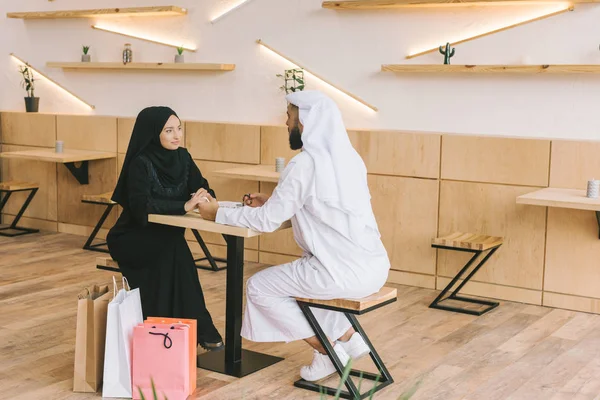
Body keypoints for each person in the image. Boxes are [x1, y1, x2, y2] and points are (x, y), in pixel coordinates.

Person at [197, 91, 391, 381]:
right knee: (302, 287)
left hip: (338, 271)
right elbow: (323, 210)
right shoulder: (349, 160)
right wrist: (274, 201)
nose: (286, 124)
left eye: (289, 118)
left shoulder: (303, 165)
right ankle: (348, 337)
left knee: (260, 287)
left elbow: (264, 222)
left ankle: (327, 352)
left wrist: (217, 214)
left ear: (305, 122)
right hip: (374, 268)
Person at [107, 106, 223, 351]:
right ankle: (196, 328)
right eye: (168, 130)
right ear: (153, 133)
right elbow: (141, 206)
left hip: (167, 236)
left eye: (178, 128)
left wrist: (204, 196)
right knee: (176, 250)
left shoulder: (183, 157)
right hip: (132, 236)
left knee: (174, 249)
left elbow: (200, 186)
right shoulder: (141, 162)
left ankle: (175, 332)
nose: (176, 135)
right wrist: (184, 204)